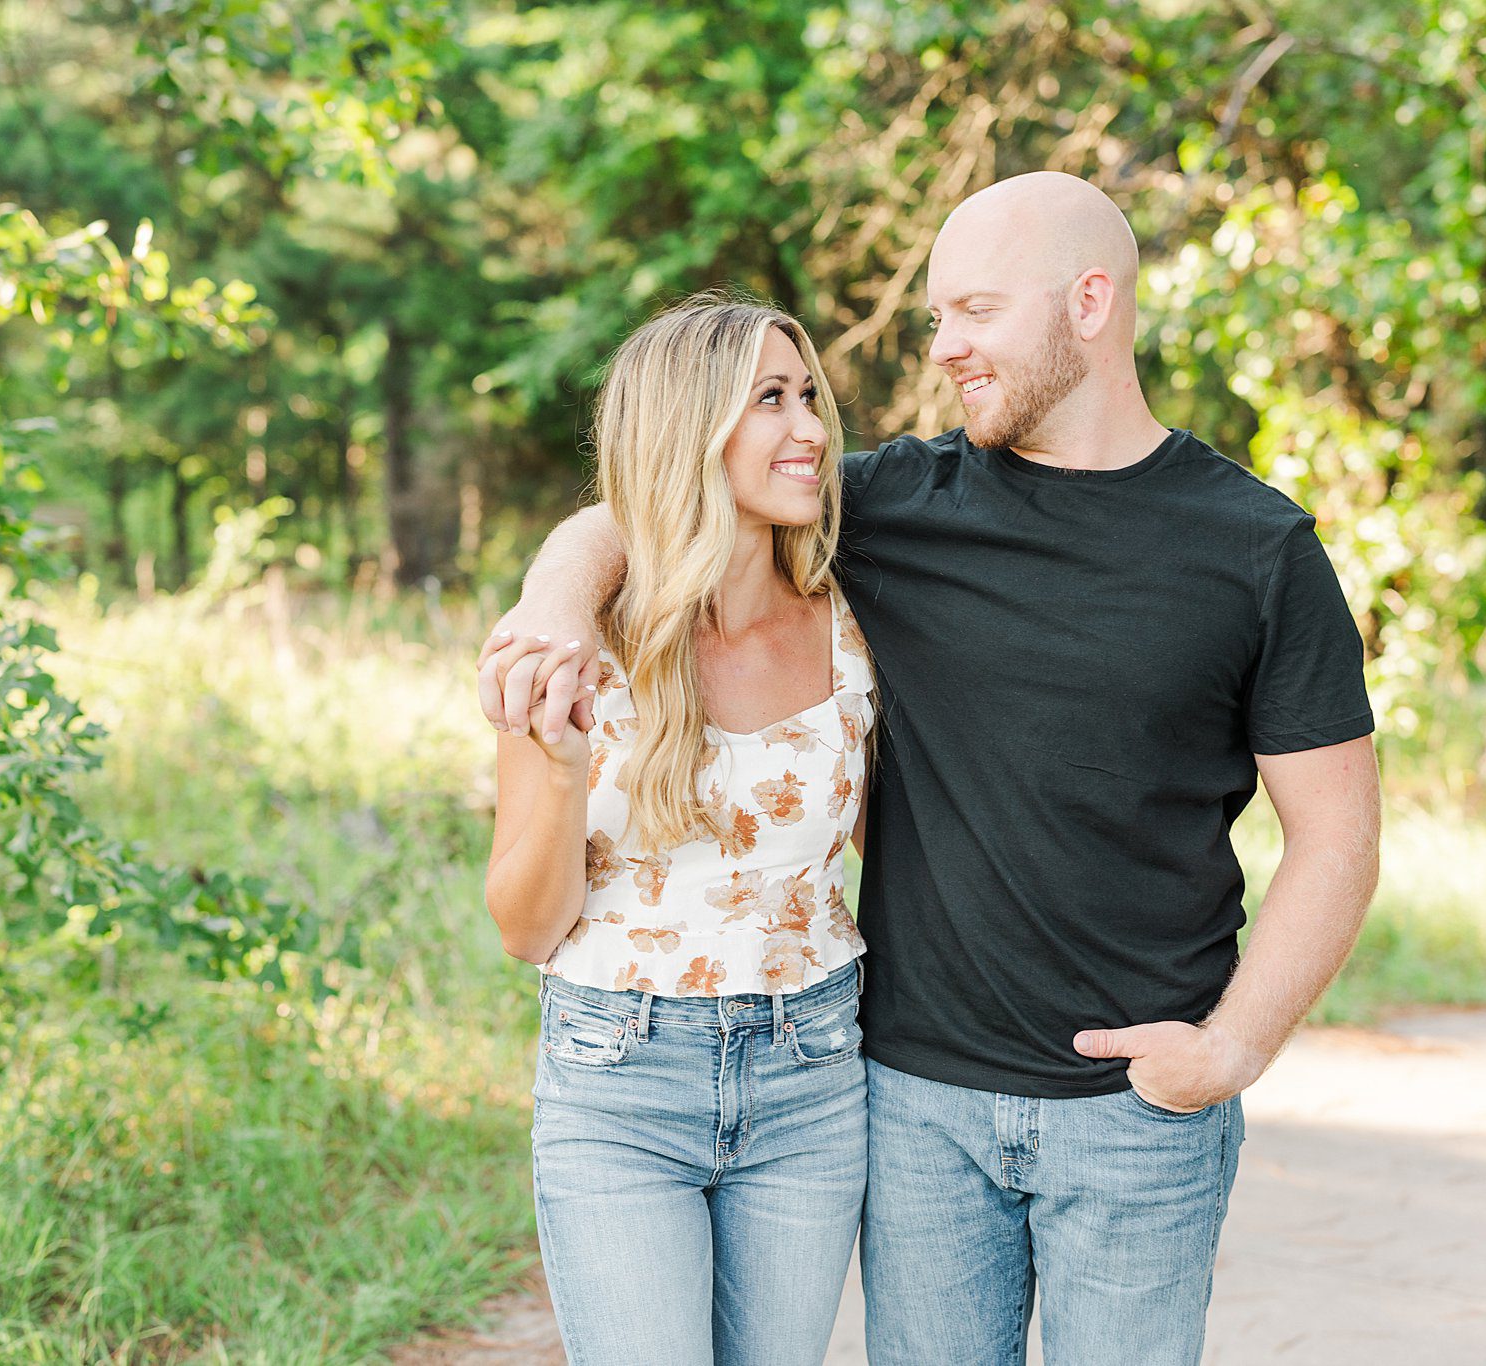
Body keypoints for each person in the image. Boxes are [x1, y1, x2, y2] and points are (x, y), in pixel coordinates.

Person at [478, 172, 1382, 1366]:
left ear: (1088, 303)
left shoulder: (1257, 549)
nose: (941, 347)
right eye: (935, 319)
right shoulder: (891, 506)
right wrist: (552, 598)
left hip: (1132, 1116)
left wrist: (1229, 1048)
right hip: (911, 1104)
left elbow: (1336, 836)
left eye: (973, 311)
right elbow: (652, 500)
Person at [483, 295, 879, 1366]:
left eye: (807, 397)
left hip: (812, 1062)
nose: (808, 427)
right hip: (619, 1071)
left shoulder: (852, 618)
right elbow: (525, 926)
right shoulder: (574, 647)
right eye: (767, 401)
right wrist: (563, 771)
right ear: (686, 430)